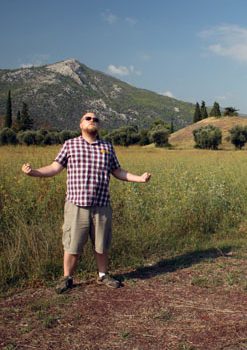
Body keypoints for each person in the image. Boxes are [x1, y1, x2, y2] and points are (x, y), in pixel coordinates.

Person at [21, 112, 151, 293]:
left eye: (95, 119)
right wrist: (33, 172)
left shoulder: (107, 147)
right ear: (81, 124)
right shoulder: (70, 145)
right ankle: (67, 278)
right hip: (77, 205)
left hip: (102, 204)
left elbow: (117, 171)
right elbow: (54, 167)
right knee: (72, 244)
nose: (92, 121)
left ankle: (103, 275)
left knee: (102, 244)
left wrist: (140, 179)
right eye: (88, 118)